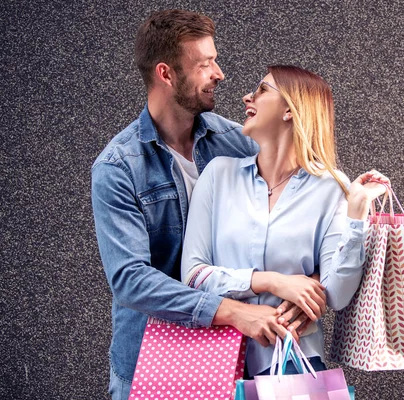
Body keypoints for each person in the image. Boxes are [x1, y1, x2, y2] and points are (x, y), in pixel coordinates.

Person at [91, 10, 303, 400]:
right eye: (205, 64)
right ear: (166, 74)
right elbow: (130, 280)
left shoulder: (235, 140)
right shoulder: (118, 167)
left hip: (236, 356)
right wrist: (231, 309)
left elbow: (300, 198)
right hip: (150, 363)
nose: (219, 73)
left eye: (215, 60)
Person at [181, 65, 390, 377]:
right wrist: (273, 281)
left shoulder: (332, 186)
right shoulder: (217, 174)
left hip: (293, 360)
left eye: (263, 90)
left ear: (290, 110)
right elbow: (194, 276)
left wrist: (357, 215)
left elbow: (338, 292)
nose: (247, 97)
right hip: (212, 362)